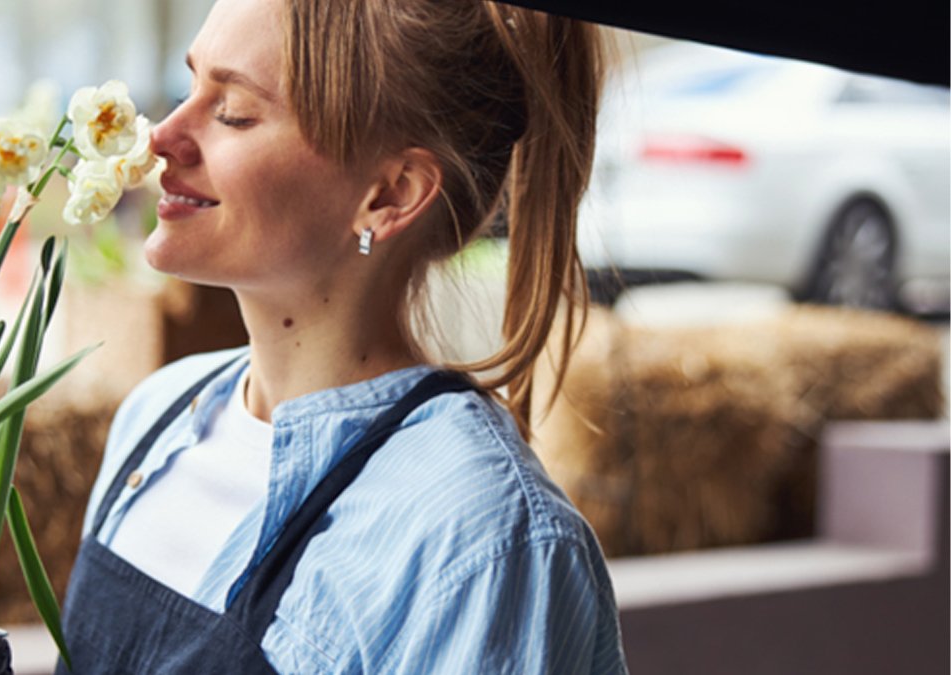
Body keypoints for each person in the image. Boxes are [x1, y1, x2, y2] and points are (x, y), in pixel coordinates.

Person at [56, 0, 628, 672]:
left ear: (390, 194)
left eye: (234, 111)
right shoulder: (158, 416)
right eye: (190, 87)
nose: (162, 136)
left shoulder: (478, 537)